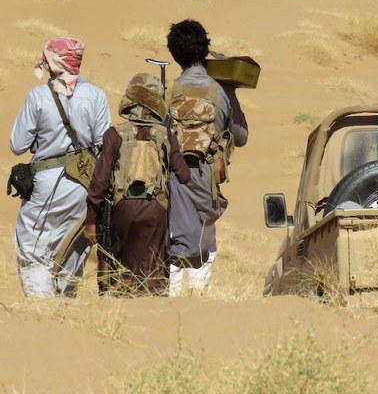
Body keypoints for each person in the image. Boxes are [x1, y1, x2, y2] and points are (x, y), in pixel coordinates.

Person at [10, 37, 111, 297]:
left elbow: (17, 144)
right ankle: (64, 305)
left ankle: (43, 311)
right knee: (72, 246)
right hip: (84, 185)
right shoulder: (97, 96)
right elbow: (104, 145)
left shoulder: (38, 96)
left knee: (33, 245)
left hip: (47, 182)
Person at [84, 73, 191, 296]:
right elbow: (184, 176)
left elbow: (99, 183)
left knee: (120, 272)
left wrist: (91, 222)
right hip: (156, 211)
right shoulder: (166, 135)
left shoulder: (115, 134)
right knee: (152, 271)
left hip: (121, 209)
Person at [166, 19, 248, 296]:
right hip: (207, 185)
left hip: (174, 185)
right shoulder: (221, 91)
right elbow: (241, 137)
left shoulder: (169, 92)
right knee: (204, 250)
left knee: (174, 254)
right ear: (204, 50)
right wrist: (232, 93)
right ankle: (198, 306)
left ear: (174, 54)